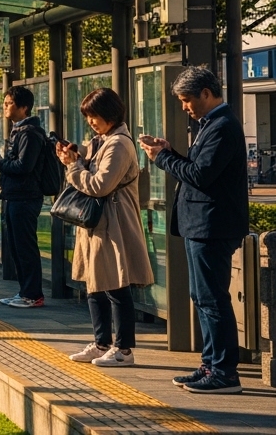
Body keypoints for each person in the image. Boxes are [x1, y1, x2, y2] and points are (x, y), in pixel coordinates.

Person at [139, 67, 248, 394]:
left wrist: (162, 158)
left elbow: (201, 175)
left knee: (212, 298)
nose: (185, 107)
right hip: (202, 224)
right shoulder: (212, 124)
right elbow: (197, 169)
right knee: (202, 297)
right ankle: (210, 363)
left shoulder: (222, 126)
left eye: (187, 100)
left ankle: (224, 372)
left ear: (206, 93)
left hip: (212, 225)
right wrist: (170, 152)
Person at [59, 87, 153, 368]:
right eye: (87, 116)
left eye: (94, 116)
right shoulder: (101, 141)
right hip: (98, 223)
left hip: (114, 223)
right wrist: (74, 158)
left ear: (110, 114)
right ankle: (101, 342)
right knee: (95, 284)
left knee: (116, 285)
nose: (91, 122)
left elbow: (100, 185)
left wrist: (74, 167)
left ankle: (123, 349)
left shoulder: (119, 144)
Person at [0, 85, 47, 309]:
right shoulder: (19, 131)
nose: (5, 107)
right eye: (5, 103)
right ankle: (25, 291)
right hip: (15, 196)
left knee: (25, 247)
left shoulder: (29, 133)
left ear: (24, 107)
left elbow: (24, 166)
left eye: (9, 103)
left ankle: (33, 294)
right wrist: (1, 162)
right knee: (17, 247)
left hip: (25, 197)